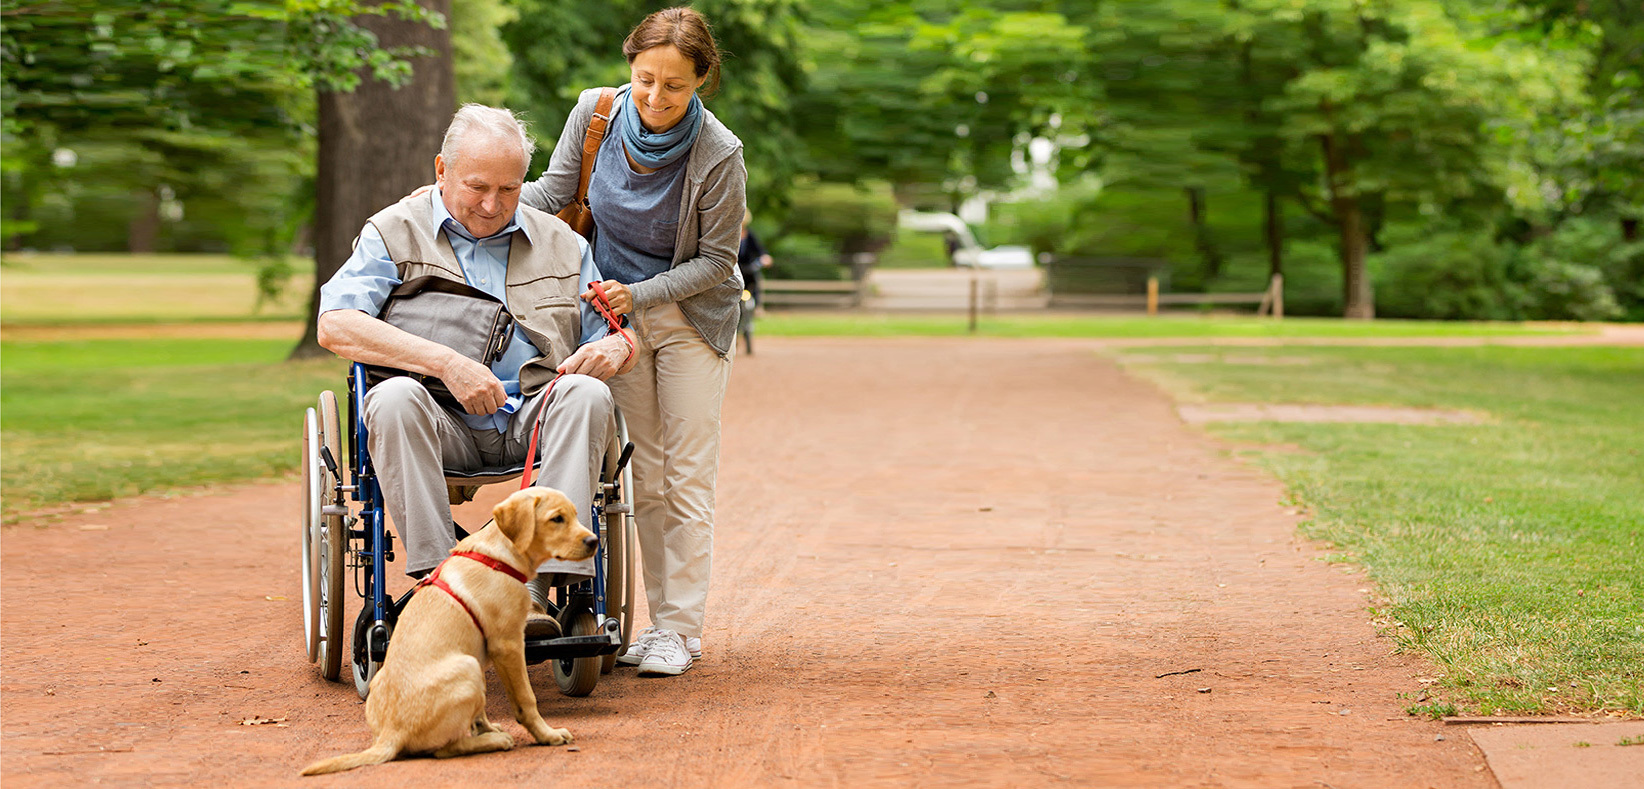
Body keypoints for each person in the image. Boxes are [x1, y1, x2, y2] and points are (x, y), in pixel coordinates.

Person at [316, 104, 635, 639]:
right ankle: (446, 589)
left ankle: (534, 593)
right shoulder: (392, 233)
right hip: (439, 421)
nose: (492, 205)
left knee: (586, 393)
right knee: (391, 399)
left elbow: (612, 332)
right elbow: (336, 325)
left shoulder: (564, 244)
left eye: (509, 190)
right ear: (441, 170)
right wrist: (444, 362)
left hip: (533, 417)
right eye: (476, 187)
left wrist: (616, 350)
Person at [520, 6, 745, 677]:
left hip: (689, 321)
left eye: (674, 85)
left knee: (686, 475)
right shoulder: (595, 115)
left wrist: (641, 294)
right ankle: (656, 624)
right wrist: (473, 199)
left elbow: (717, 261)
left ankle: (682, 628)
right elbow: (553, 192)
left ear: (701, 81)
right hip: (615, 323)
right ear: (629, 67)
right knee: (641, 475)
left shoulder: (719, 155)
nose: (655, 97)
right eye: (645, 78)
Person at [737, 210, 772, 310]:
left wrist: (765, 258)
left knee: (755, 280)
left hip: (748, 269)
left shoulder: (750, 235)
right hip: (734, 268)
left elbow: (760, 251)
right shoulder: (731, 234)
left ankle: (757, 306)